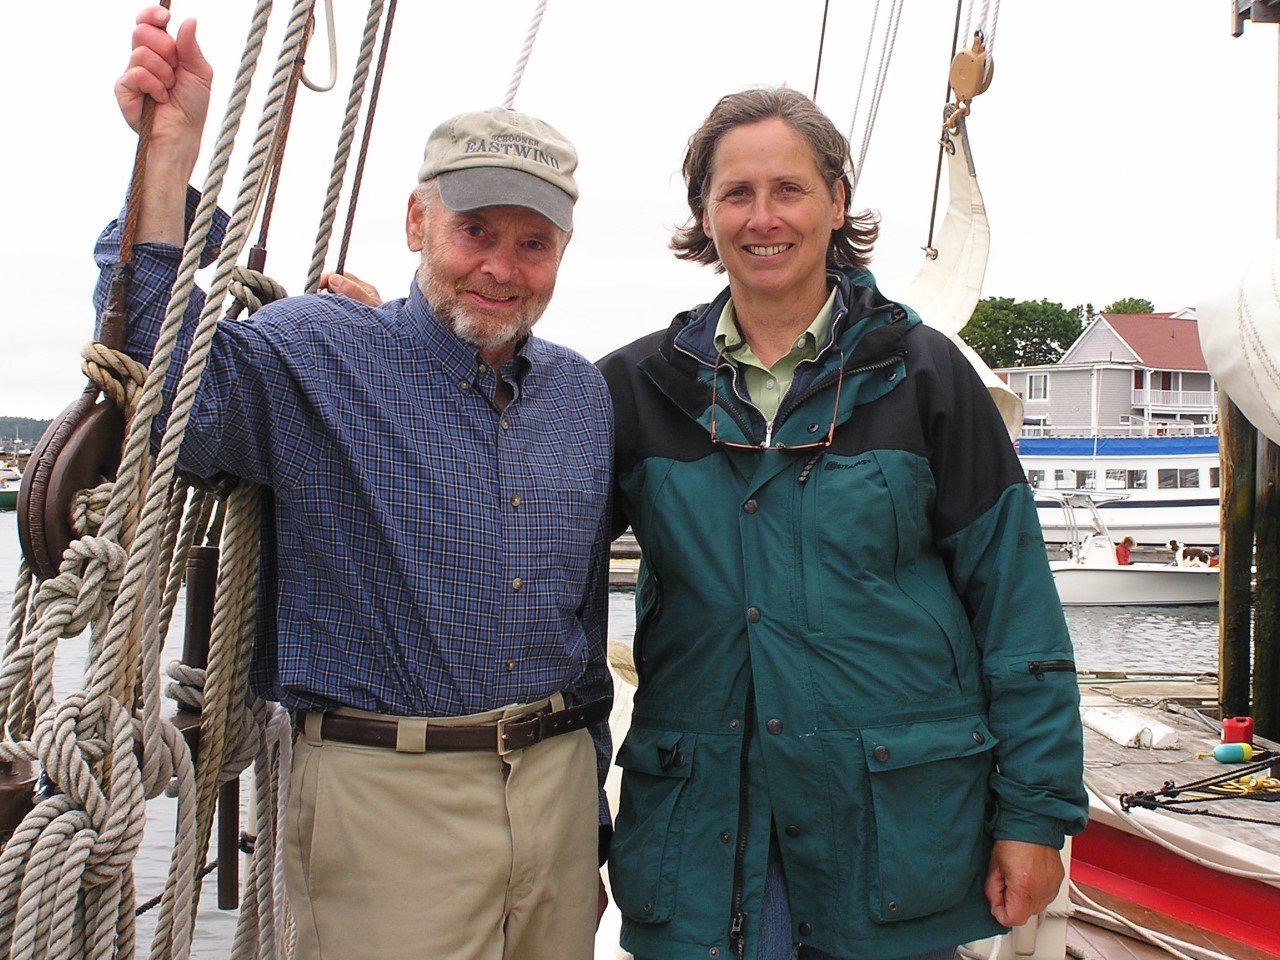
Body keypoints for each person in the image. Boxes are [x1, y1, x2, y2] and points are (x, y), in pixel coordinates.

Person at [105, 8, 612, 960]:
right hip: (385, 800)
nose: (501, 268)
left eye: (532, 242)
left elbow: (585, 638)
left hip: (555, 791)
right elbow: (162, 391)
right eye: (475, 231)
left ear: (563, 251)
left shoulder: (582, 398)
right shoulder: (319, 353)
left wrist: (589, 830)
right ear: (418, 220)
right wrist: (168, 160)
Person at [597, 88, 1088, 960]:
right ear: (703, 214)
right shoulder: (634, 391)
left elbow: (1016, 611)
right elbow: (506, 531)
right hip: (704, 836)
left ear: (835, 202)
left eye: (788, 189)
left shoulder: (927, 376)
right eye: (735, 193)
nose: (762, 217)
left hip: (887, 834)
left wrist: (1036, 816)